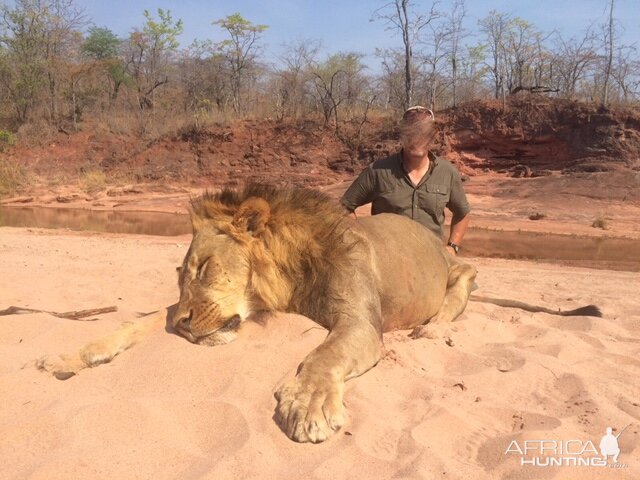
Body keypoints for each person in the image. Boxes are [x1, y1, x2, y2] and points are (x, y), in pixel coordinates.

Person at [341, 106, 471, 256]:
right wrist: (361, 240)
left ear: (433, 136)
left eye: (423, 134)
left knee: (470, 280)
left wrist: (453, 247)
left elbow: (462, 213)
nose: (416, 140)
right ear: (401, 136)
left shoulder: (447, 172)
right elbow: (343, 207)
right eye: (411, 134)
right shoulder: (377, 171)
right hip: (388, 260)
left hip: (432, 260)